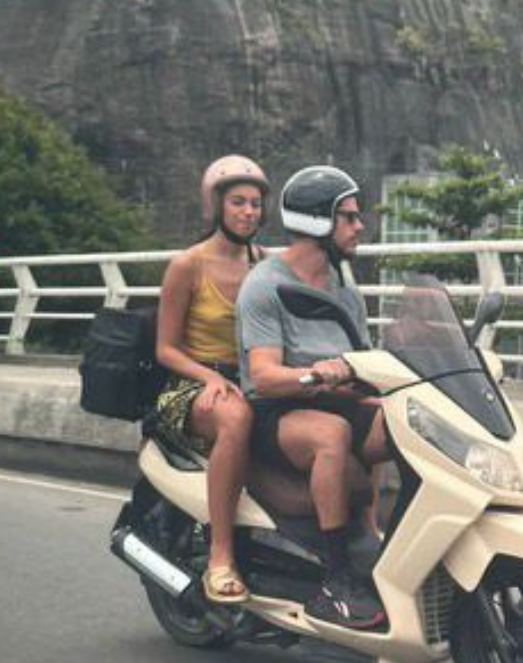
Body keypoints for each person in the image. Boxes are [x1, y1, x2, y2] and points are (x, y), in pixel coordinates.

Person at [237, 165, 389, 631]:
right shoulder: (265, 285)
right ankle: (336, 580)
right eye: (348, 217)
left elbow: (362, 360)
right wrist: (314, 375)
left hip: (334, 398)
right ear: (318, 222)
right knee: (332, 435)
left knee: (408, 421)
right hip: (276, 411)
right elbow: (262, 376)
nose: (359, 227)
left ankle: (390, 545)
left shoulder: (345, 287)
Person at [154, 155, 269, 604]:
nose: (248, 212)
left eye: (256, 204)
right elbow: (165, 348)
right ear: (216, 207)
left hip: (252, 380)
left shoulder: (265, 264)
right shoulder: (188, 265)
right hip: (191, 385)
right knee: (236, 419)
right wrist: (208, 378)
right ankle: (221, 556)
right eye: (238, 202)